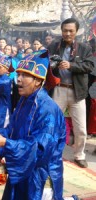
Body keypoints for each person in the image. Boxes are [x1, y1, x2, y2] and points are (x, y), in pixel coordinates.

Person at [0, 50, 66, 199]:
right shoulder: (24, 100)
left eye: (25, 75)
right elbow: (12, 130)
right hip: (22, 168)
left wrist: (5, 143)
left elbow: (40, 149)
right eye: (18, 74)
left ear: (38, 81)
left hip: (40, 176)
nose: (18, 79)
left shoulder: (48, 109)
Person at [48, 18, 94, 168]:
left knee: (80, 127)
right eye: (65, 30)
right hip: (58, 89)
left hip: (77, 91)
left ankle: (79, 155)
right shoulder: (54, 46)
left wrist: (71, 65)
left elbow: (89, 66)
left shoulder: (84, 47)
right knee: (52, 124)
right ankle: (51, 153)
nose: (67, 33)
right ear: (61, 31)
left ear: (76, 32)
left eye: (70, 30)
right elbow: (45, 64)